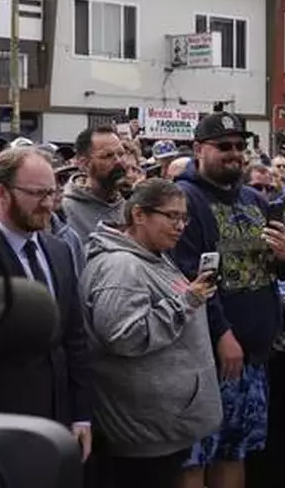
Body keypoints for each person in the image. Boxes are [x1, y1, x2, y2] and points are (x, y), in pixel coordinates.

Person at [173, 112, 285, 488]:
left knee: (235, 451)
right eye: (223, 146)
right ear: (198, 149)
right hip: (206, 359)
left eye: (240, 146)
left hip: (254, 357)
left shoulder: (255, 199)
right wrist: (222, 333)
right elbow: (188, 276)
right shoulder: (184, 198)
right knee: (196, 458)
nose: (234, 153)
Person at [0, 147, 93, 460]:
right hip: (2, 429)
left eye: (52, 192)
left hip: (60, 423)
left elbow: (74, 337)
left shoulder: (60, 251)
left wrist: (81, 415)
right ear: (0, 193)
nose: (48, 203)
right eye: (36, 193)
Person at [82, 179, 222, 488]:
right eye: (171, 216)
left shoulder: (152, 253)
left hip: (160, 430)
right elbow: (124, 336)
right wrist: (186, 302)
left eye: (184, 218)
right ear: (138, 215)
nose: (180, 226)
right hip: (142, 438)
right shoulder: (121, 266)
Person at [61, 126, 130, 243]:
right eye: (108, 156)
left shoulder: (132, 205)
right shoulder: (66, 211)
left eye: (121, 154)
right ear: (84, 164)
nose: (119, 161)